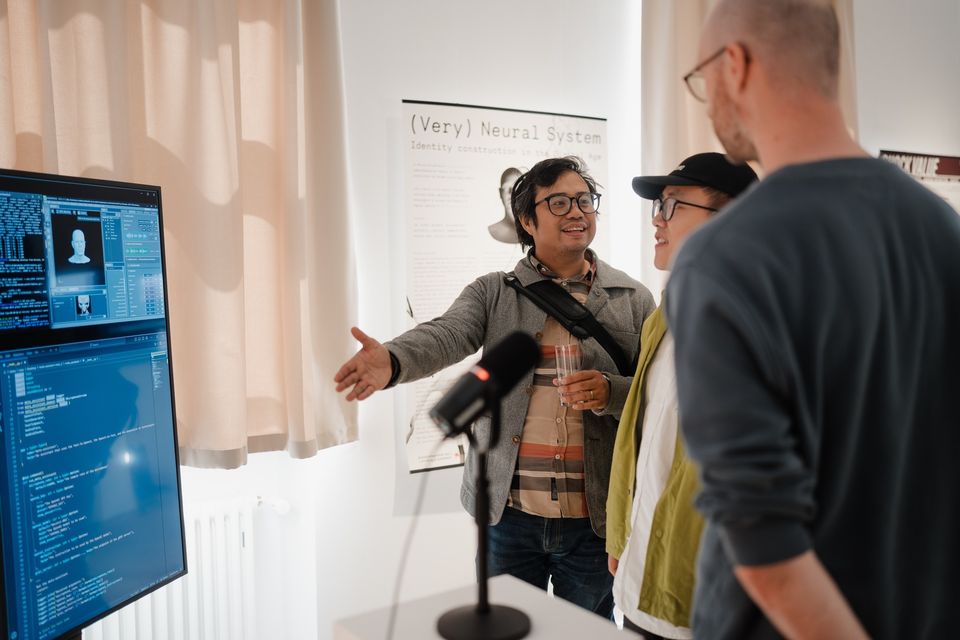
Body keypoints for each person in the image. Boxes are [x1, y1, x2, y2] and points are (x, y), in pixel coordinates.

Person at [665, 1, 960, 638]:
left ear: (734, 67)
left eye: (702, 81)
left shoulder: (722, 259)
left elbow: (766, 548)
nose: (707, 103)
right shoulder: (944, 229)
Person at [335, 156, 655, 618]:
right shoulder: (495, 292)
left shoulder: (633, 298)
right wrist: (392, 358)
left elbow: (657, 393)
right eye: (559, 202)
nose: (577, 212)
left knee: (587, 630)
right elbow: (448, 333)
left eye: (585, 200)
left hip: (595, 520)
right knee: (504, 627)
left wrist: (612, 393)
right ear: (527, 219)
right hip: (509, 516)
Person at [605, 153, 757, 639]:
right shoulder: (665, 315)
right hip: (639, 583)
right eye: (657, 206)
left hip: (706, 604)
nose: (656, 219)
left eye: (672, 206)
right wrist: (619, 534)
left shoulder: (762, 328)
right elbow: (641, 436)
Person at [487, 166, 523, 244]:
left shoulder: (538, 232)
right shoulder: (492, 231)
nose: (511, 193)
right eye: (507, 188)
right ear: (500, 193)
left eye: (516, 188)